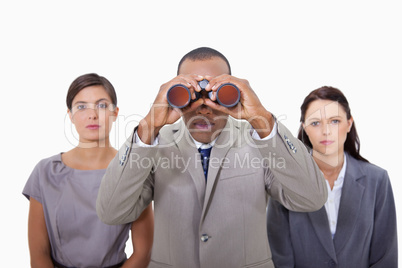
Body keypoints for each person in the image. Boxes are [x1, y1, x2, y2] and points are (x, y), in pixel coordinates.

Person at [96, 47, 328, 268]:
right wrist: (149, 126)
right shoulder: (155, 144)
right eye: (192, 93)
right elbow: (111, 211)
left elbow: (311, 198)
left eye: (216, 93)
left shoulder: (260, 142)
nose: (203, 108)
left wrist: (262, 119)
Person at [23, 73, 154, 268]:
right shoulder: (46, 172)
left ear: (115, 113)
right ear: (70, 115)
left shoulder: (133, 171)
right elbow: (38, 253)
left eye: (101, 105)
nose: (92, 115)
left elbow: (143, 252)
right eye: (81, 106)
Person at [267, 86, 398, 267]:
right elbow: (280, 256)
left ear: (349, 123)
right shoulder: (286, 180)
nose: (326, 131)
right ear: (304, 127)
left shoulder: (377, 180)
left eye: (334, 121)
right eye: (315, 123)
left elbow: (385, 256)